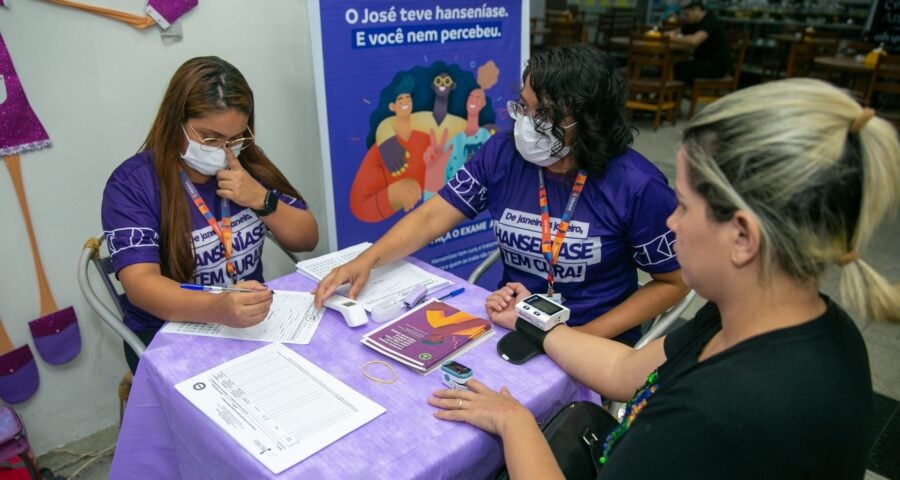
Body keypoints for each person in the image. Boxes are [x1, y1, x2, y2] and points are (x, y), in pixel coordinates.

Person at [428, 78, 900, 478]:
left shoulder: (710, 415)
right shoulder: (783, 320)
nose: (670, 223)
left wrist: (515, 422)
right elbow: (624, 371)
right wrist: (532, 322)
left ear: (743, 237)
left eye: (684, 206)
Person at [317, 44, 688, 344]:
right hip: (511, 319)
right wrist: (367, 260)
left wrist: (580, 339)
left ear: (589, 122)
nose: (525, 123)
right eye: (524, 107)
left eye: (543, 113)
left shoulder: (637, 186)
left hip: (594, 333)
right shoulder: (502, 153)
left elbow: (673, 282)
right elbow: (433, 216)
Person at [102, 56, 318, 372]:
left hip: (248, 321)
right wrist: (216, 308)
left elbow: (307, 239)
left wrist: (261, 199)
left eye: (235, 139)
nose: (224, 151)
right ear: (174, 122)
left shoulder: (248, 165)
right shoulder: (133, 184)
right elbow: (140, 285)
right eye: (210, 138)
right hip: (169, 330)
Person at [667, 1, 732, 85]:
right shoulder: (692, 22)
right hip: (701, 61)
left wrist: (673, 38)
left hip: (715, 66)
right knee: (669, 68)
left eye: (687, 14)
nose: (684, 17)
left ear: (696, 10)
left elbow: (694, 41)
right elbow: (677, 32)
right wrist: (672, 34)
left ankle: (673, 95)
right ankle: (672, 94)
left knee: (675, 70)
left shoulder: (710, 21)